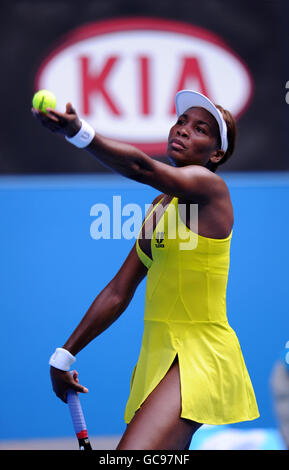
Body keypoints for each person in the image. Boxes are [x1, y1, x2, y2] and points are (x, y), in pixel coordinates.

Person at [32, 89, 259, 450]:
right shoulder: (161, 207)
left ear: (216, 153)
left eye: (200, 129)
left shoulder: (210, 188)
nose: (184, 129)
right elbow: (119, 290)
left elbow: (141, 167)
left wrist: (79, 132)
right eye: (182, 121)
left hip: (198, 357)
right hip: (161, 356)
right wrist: (64, 355)